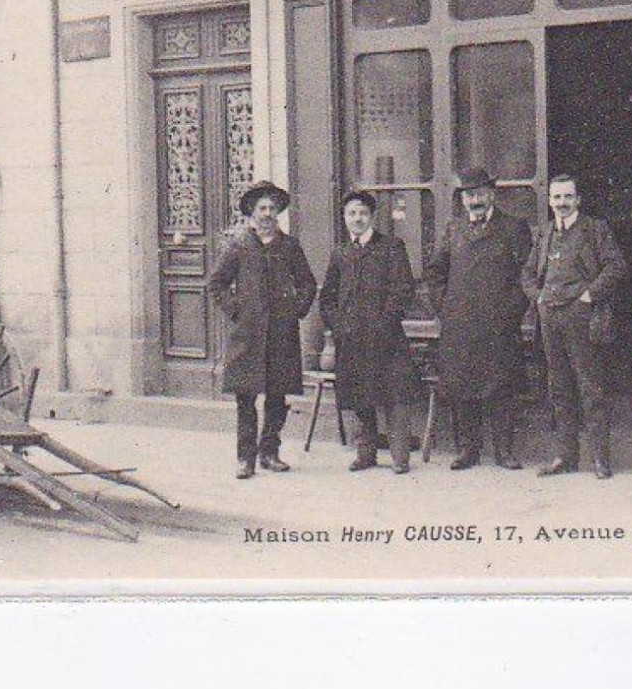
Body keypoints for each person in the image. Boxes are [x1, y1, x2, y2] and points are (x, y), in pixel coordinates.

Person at [208, 180, 318, 480]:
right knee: (245, 397)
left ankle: (270, 452)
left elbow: (307, 283)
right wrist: (236, 310)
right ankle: (246, 458)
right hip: (248, 335)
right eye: (262, 208)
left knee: (277, 396)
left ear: (279, 212)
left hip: (282, 334)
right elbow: (216, 283)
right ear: (252, 212)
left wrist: (297, 309)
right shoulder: (239, 245)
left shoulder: (289, 246)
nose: (268, 213)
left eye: (273, 208)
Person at [426, 167, 531, 471]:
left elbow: (527, 275)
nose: (476, 200)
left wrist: (512, 312)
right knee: (462, 388)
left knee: (502, 389)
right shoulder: (453, 230)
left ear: (492, 195)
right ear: (462, 199)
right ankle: (467, 450)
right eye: (470, 195)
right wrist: (445, 307)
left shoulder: (513, 228)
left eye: (481, 194)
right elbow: (434, 273)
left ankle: (504, 451)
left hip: (500, 325)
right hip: (459, 326)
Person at [522, 174, 626, 479]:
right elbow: (527, 273)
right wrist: (538, 297)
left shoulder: (595, 229)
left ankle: (600, 460)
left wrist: (589, 295)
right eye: (557, 198)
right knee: (559, 389)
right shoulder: (545, 234)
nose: (562, 203)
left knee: (591, 389)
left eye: (568, 197)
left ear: (578, 200)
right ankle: (565, 457)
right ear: (550, 201)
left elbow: (616, 265)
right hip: (550, 320)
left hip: (581, 319)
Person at [319, 190, 421, 475]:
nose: (357, 218)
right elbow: (327, 298)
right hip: (352, 338)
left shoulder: (391, 247)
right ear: (344, 218)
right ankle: (366, 453)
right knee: (359, 395)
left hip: (386, 337)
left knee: (394, 397)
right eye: (351, 213)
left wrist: (384, 322)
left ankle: (400, 457)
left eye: (363, 213)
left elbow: (403, 290)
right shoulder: (341, 253)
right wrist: (338, 325)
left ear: (372, 217)